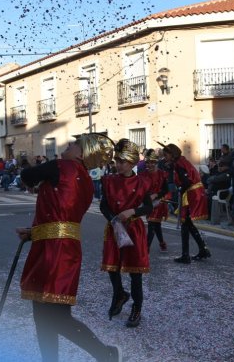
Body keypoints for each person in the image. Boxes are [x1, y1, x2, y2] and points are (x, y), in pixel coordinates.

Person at [16, 133, 120, 362]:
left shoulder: (62, 166)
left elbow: (27, 176)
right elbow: (62, 220)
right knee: (48, 313)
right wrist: (34, 232)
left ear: (82, 153)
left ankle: (105, 354)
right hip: (65, 248)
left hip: (53, 251)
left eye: (74, 144)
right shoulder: (86, 182)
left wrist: (32, 162)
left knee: (52, 315)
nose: (68, 145)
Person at [100, 139, 153, 328]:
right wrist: (113, 220)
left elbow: (148, 206)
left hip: (133, 230)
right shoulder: (108, 181)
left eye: (122, 162)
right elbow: (103, 205)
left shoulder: (141, 182)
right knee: (112, 268)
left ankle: (137, 308)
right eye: (116, 161)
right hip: (114, 228)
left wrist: (133, 212)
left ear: (131, 163)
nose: (118, 165)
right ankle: (119, 294)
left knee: (134, 272)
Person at [160, 142, 211, 263]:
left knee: (185, 223)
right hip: (193, 192)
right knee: (187, 224)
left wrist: (180, 191)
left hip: (191, 193)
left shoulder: (179, 164)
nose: (164, 158)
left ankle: (186, 255)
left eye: (166, 155)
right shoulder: (181, 162)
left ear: (172, 155)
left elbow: (186, 182)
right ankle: (201, 250)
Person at [139, 149, 169, 252]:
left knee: (152, 224)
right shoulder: (143, 174)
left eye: (152, 163)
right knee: (156, 225)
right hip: (147, 203)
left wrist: (156, 195)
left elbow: (166, 190)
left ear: (156, 163)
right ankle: (162, 243)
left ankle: (146, 248)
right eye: (148, 162)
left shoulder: (162, 174)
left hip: (159, 202)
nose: (150, 165)